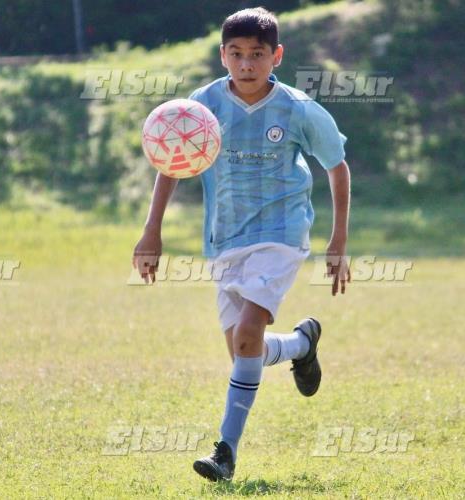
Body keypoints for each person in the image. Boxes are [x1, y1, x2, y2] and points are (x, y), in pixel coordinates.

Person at [132, 6, 351, 482]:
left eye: (257, 54)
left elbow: (336, 165)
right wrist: (153, 230)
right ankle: (299, 345)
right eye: (237, 54)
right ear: (222, 56)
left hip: (281, 234)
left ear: (277, 56)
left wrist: (338, 240)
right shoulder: (201, 106)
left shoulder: (297, 109)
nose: (247, 64)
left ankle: (225, 452)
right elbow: (172, 162)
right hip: (225, 237)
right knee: (243, 351)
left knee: (248, 335)